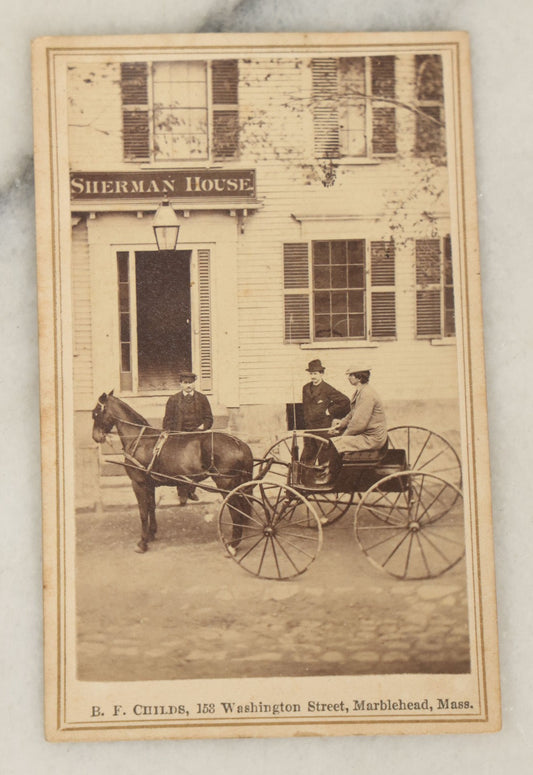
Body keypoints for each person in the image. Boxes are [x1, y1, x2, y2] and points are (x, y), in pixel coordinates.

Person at [162, 372, 213, 505]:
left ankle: (191, 490)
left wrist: (202, 427)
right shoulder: (173, 400)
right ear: (180, 384)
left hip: (197, 437)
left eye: (190, 383)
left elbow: (209, 418)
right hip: (179, 437)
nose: (188, 386)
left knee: (196, 465)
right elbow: (167, 420)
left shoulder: (202, 398)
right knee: (180, 466)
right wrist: (168, 434)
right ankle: (182, 493)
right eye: (185, 383)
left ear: (194, 384)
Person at [328, 365, 387, 453]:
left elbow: (358, 424)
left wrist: (344, 436)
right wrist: (341, 424)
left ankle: (334, 467)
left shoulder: (366, 394)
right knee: (336, 439)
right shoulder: (361, 391)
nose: (348, 378)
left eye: (351, 375)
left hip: (372, 438)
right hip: (366, 434)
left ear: (359, 378)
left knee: (336, 443)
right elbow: (353, 413)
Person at [302, 359, 350, 430]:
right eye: (311, 374)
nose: (313, 376)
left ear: (321, 374)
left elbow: (345, 401)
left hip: (322, 425)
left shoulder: (327, 388)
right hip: (309, 425)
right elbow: (305, 406)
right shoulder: (306, 388)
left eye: (315, 373)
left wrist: (328, 411)